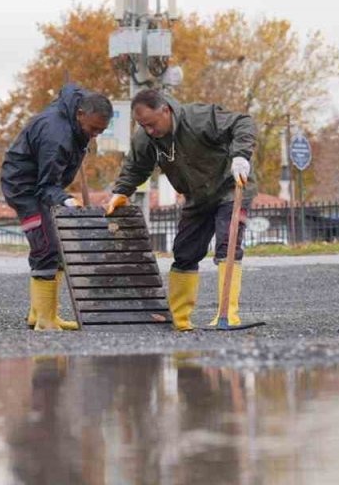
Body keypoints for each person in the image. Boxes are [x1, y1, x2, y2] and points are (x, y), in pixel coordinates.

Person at [106, 89, 256, 331]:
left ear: (165, 110)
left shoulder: (198, 118)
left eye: (152, 124)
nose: (149, 130)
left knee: (227, 243)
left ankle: (227, 315)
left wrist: (241, 156)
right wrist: (121, 192)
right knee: (185, 252)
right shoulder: (146, 138)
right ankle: (179, 318)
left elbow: (243, 122)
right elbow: (136, 167)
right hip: (196, 196)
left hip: (230, 186)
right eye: (144, 126)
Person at [1, 83, 113, 331]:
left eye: (101, 130)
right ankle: (44, 321)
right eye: (93, 129)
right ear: (80, 114)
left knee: (59, 244)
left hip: (44, 185)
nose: (95, 134)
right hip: (24, 188)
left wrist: (61, 194)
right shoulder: (56, 135)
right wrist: (66, 200)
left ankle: (41, 312)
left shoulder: (80, 110)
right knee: (46, 247)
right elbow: (46, 186)